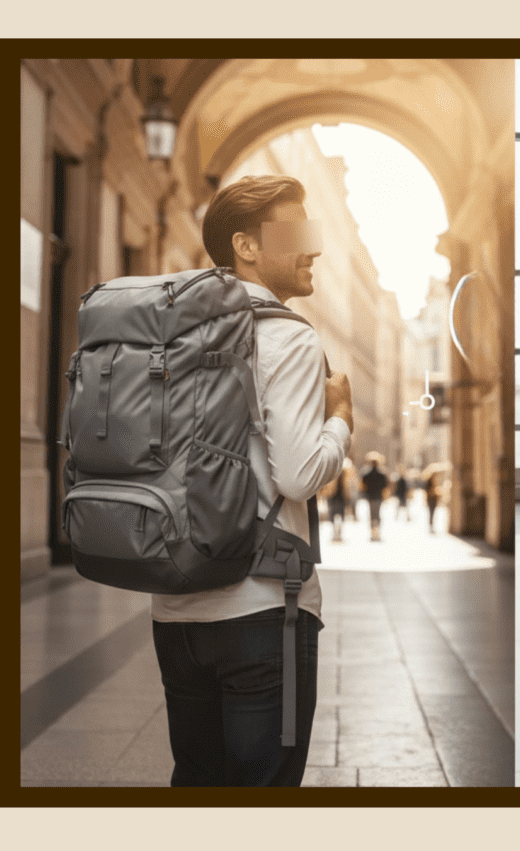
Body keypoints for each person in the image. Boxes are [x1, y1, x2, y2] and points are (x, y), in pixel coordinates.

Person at [150, 174, 354, 785]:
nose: (313, 247)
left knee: (197, 782)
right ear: (246, 246)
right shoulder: (287, 335)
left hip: (175, 608)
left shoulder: (171, 332)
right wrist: (341, 420)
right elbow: (299, 474)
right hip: (264, 608)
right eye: (297, 233)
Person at [360, 452, 389, 542]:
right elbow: (385, 487)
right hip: (378, 497)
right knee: (377, 514)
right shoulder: (382, 474)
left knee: (372, 514)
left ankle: (373, 532)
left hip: (370, 497)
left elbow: (362, 486)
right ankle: (377, 531)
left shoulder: (366, 474)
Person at [327, 458, 352, 543]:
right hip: (339, 497)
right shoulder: (344, 475)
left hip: (335, 497)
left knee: (334, 515)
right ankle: (338, 533)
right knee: (339, 515)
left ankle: (336, 533)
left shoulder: (332, 475)